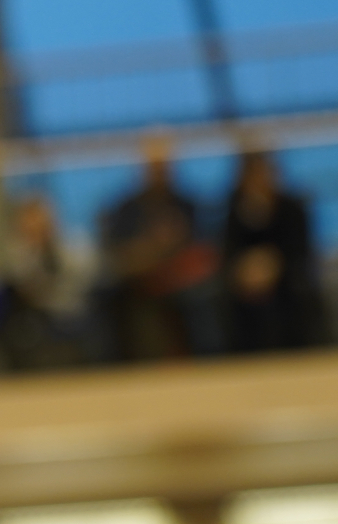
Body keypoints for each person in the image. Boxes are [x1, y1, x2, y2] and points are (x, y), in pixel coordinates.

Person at [99, 137, 219, 360]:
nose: (160, 172)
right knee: (109, 294)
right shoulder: (126, 208)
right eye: (154, 167)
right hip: (140, 279)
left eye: (164, 166)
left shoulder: (187, 204)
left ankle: (209, 358)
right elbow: (117, 255)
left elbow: (204, 250)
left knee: (205, 295)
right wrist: (152, 248)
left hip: (183, 280)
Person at [221, 151, 319, 352]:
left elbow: (299, 249)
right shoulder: (235, 210)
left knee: (295, 292)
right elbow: (229, 250)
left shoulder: (292, 208)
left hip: (285, 274)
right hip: (246, 279)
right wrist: (247, 269)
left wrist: (272, 266)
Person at [0, 195, 95, 369]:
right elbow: (25, 285)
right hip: (40, 317)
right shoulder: (17, 251)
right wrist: (37, 250)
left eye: (39, 218)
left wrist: (50, 249)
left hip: (75, 311)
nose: (36, 224)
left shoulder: (72, 244)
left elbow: (83, 277)